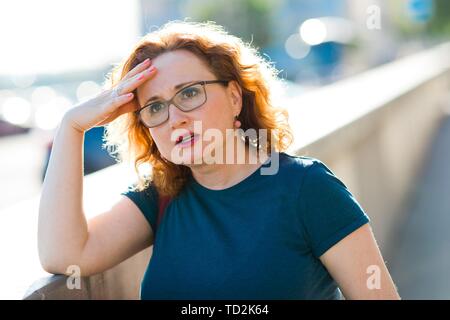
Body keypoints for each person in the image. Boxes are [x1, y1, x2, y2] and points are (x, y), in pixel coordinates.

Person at [38, 20, 400, 300]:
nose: (174, 117)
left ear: (234, 98)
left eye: (190, 93)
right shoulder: (160, 197)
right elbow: (66, 255)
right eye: (155, 107)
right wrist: (72, 126)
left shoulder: (307, 188)